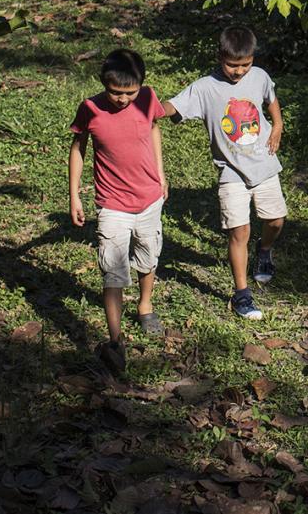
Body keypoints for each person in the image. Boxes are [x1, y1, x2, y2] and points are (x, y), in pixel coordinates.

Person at [163, 26, 286, 320]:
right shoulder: (205, 87)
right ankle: (242, 294)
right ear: (220, 57)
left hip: (265, 163)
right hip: (230, 171)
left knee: (276, 221)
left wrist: (278, 125)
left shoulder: (259, 77)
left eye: (245, 64)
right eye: (232, 64)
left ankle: (264, 250)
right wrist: (148, 108)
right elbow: (173, 106)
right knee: (239, 231)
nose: (238, 71)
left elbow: (270, 100)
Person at [69, 49, 168, 374]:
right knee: (112, 269)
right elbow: (78, 148)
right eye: (116, 92)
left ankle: (145, 305)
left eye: (130, 92)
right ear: (103, 84)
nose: (123, 99)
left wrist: (161, 174)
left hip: (149, 198)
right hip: (112, 204)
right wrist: (75, 195)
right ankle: (115, 340)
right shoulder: (91, 108)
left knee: (148, 253)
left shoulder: (148, 99)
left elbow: (154, 129)